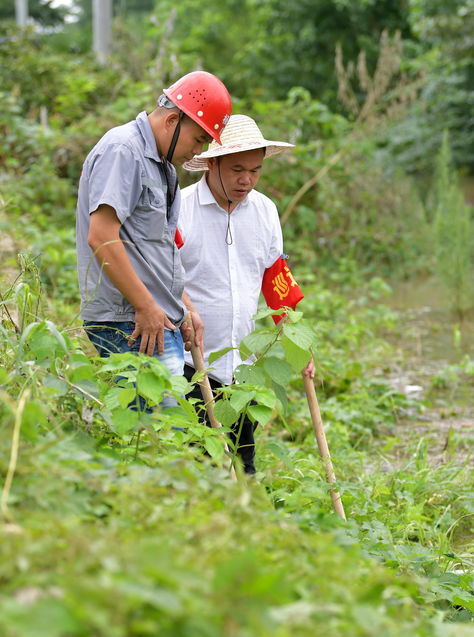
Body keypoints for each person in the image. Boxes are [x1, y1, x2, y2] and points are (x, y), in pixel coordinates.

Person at [76, 71, 231, 407]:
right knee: (157, 435)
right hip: (129, 319)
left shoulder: (164, 168)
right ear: (173, 120)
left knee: (164, 433)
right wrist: (146, 306)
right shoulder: (123, 150)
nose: (197, 151)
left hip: (155, 317)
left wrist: (184, 307)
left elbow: (156, 251)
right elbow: (101, 235)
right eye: (199, 140)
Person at [179, 114, 314, 472]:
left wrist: (300, 346)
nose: (246, 180)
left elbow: (276, 276)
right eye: (237, 168)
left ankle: (247, 523)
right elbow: (162, 275)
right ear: (213, 163)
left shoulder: (265, 210)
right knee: (199, 465)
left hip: (244, 369)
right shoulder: (180, 208)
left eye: (255, 171)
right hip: (190, 364)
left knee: (243, 464)